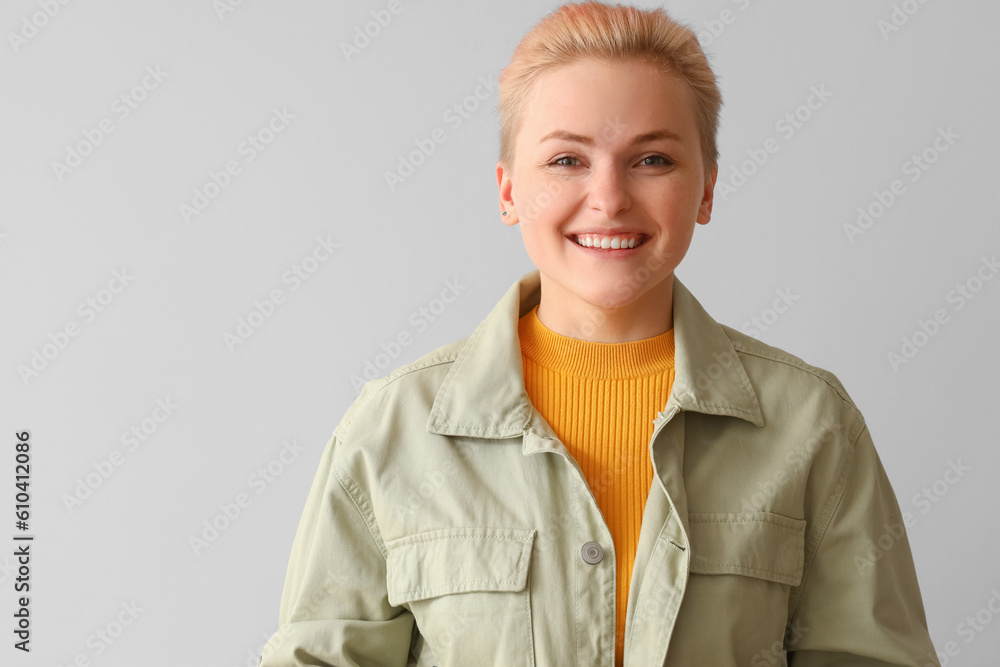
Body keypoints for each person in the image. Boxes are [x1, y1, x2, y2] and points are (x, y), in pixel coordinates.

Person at [259, 3, 939, 665]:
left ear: (705, 190)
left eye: (652, 160)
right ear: (507, 191)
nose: (609, 196)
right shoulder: (392, 429)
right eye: (566, 161)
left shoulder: (813, 424)